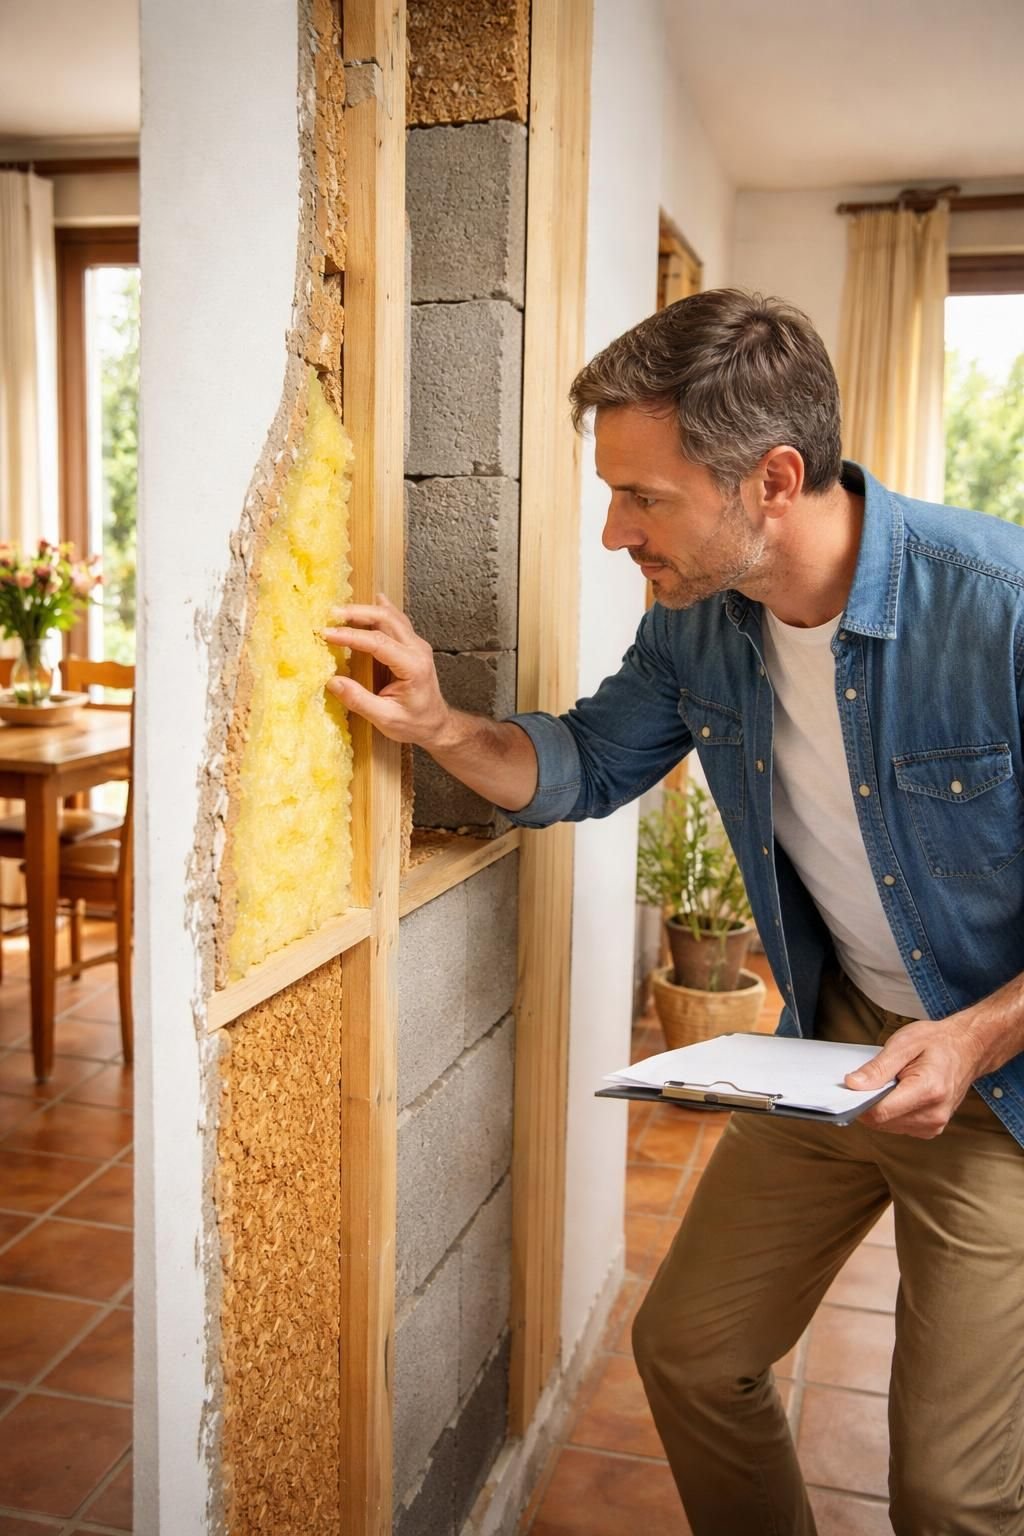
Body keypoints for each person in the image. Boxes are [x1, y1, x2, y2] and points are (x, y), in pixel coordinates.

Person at [324, 289, 1024, 1536]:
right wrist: (438, 725)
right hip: (837, 1052)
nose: (611, 531)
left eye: (641, 496)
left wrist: (973, 1037)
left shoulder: (1002, 608)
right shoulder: (695, 630)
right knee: (693, 1355)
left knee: (950, 1494)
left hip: (1001, 1087)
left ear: (772, 479)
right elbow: (583, 764)